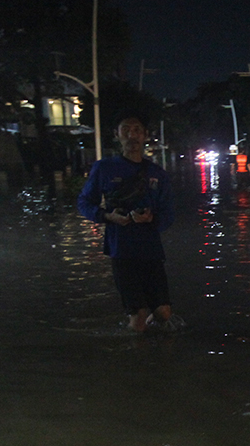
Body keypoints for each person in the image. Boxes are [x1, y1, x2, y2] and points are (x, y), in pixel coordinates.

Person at [77, 115, 184, 333]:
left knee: (164, 313)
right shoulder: (104, 168)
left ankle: (156, 350)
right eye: (125, 130)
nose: (131, 135)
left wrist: (151, 219)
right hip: (121, 249)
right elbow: (84, 202)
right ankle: (135, 353)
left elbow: (169, 213)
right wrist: (107, 216)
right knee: (139, 318)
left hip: (151, 249)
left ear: (145, 136)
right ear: (117, 136)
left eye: (137, 130)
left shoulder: (157, 174)